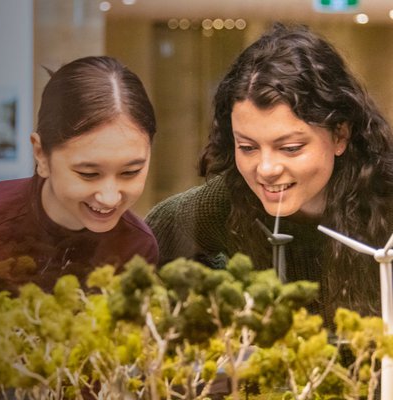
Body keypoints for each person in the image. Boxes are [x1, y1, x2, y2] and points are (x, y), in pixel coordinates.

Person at [145, 23, 393, 327]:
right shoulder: (217, 206)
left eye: (289, 148)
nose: (266, 169)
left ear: (340, 135)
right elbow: (145, 247)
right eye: (247, 147)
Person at [0, 55, 159, 328]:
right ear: (41, 154)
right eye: (88, 174)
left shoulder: (137, 245)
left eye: (130, 172)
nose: (109, 196)